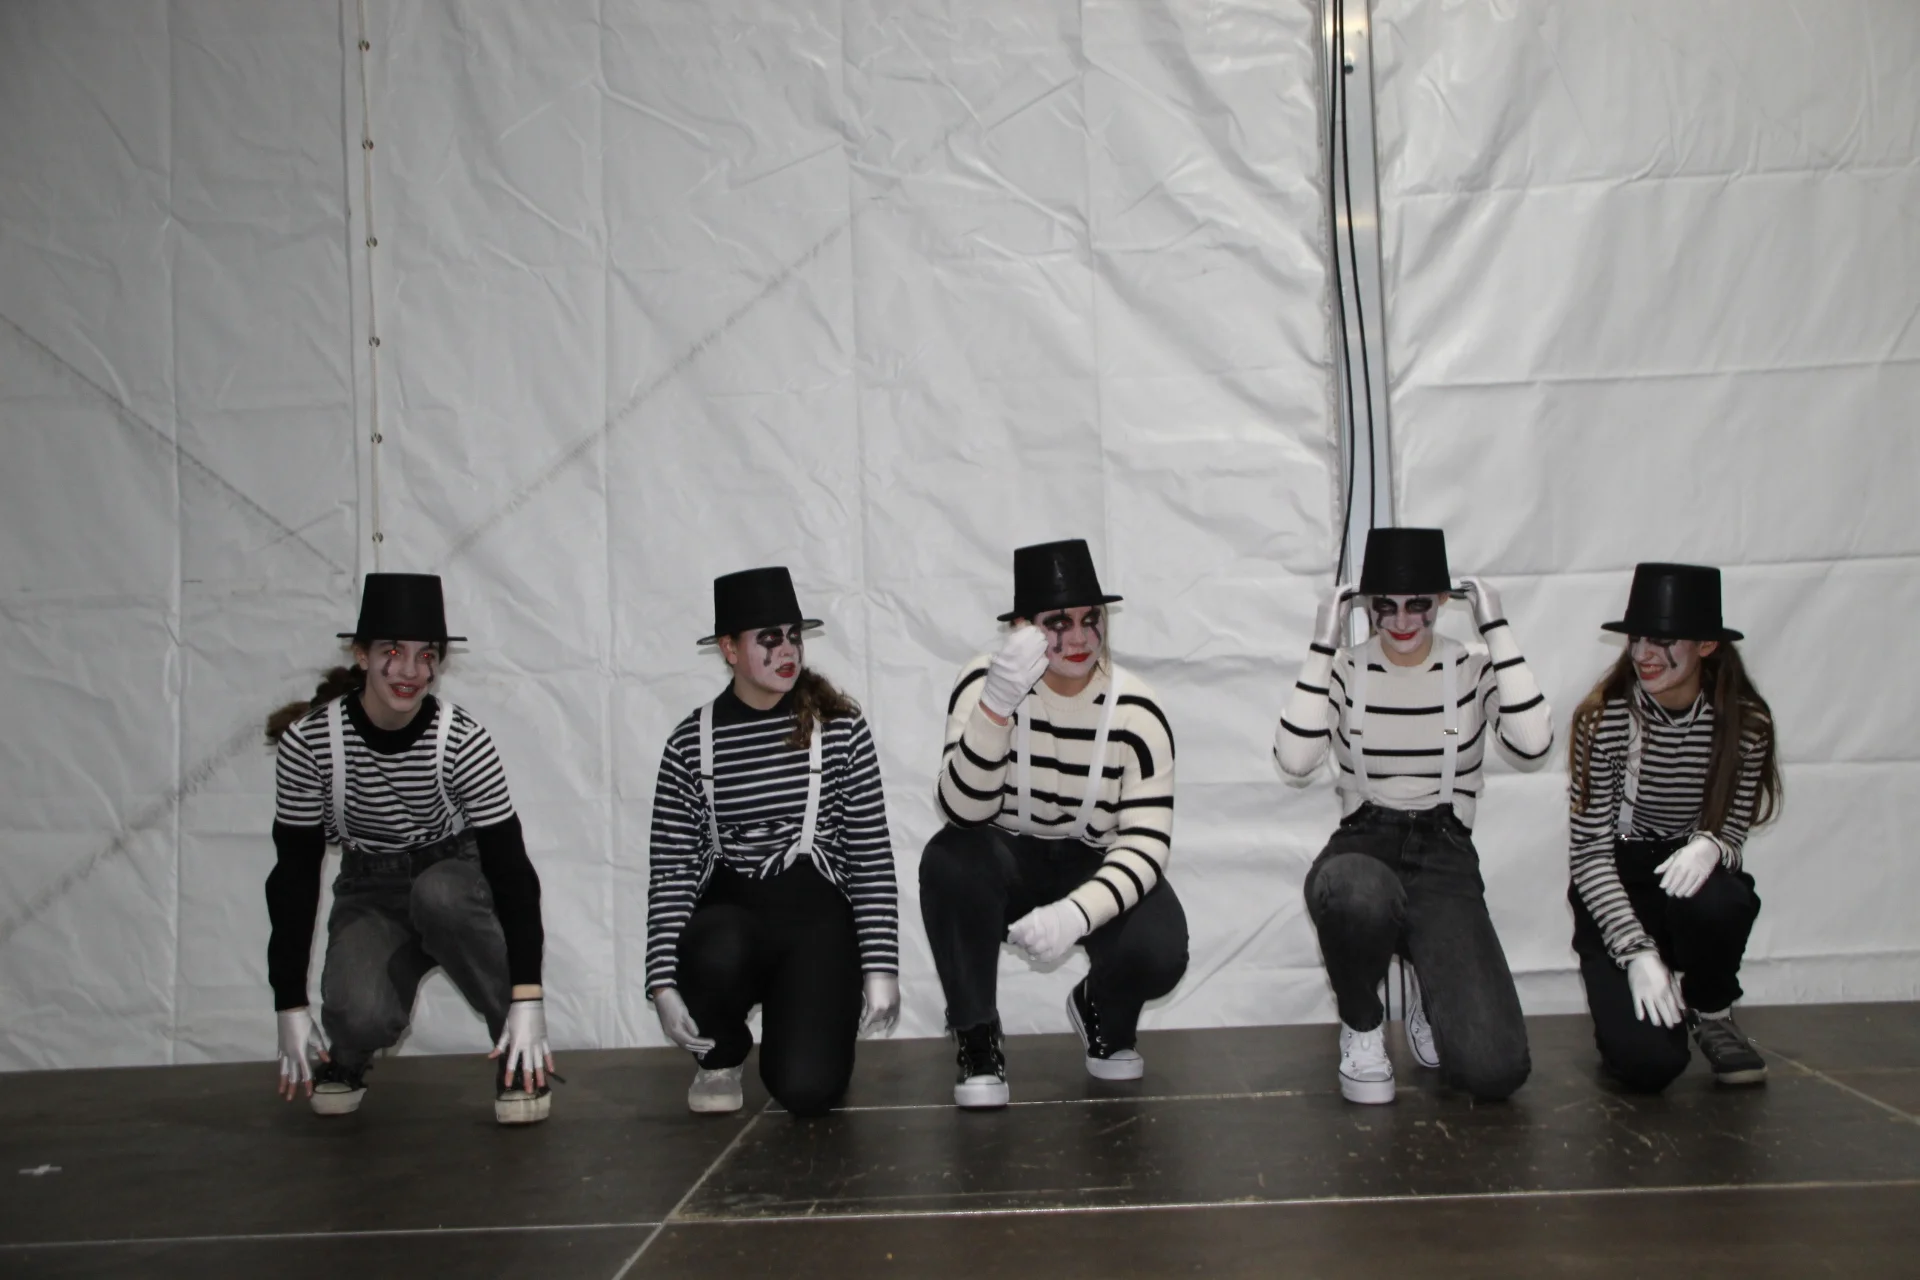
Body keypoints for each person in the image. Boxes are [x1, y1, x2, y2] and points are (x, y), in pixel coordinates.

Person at [1274, 528, 1553, 1104]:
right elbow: (1296, 759)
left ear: (1442, 601)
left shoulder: (1470, 669)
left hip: (1444, 851)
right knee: (1352, 891)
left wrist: (1498, 629)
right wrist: (1322, 645)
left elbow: (1533, 744)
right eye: (1386, 606)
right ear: (1367, 606)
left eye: (1418, 604)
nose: (1401, 621)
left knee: (1495, 1071)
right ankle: (1362, 1024)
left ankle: (1432, 987)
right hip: (1364, 842)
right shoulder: (1346, 669)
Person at [264, 573, 554, 1123]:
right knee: (357, 1014)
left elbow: (512, 870)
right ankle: (348, 1055)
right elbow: (293, 877)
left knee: (440, 893)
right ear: (362, 655)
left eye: (427, 655)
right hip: (370, 887)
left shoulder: (462, 740)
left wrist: (527, 998)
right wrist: (289, 1003)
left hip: (453, 874)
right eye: (393, 652)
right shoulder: (310, 744)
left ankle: (519, 1054)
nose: (411, 671)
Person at [922, 539, 1186, 1109]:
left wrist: (1076, 914)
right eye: (1058, 622)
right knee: (948, 859)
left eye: (1091, 619)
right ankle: (976, 1034)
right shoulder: (982, 682)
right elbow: (961, 810)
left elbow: (1146, 845)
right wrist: (996, 706)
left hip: (1091, 860)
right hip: (1002, 857)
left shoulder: (1137, 709)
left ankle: (1102, 1009)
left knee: (1161, 948)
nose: (1080, 638)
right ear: (1022, 628)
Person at [646, 567, 900, 1117]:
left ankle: (797, 1035)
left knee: (808, 1090)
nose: (787, 650)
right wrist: (662, 982)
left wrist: (881, 966)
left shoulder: (841, 729)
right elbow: (672, 870)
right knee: (712, 946)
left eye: (793, 635)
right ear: (729, 649)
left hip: (815, 920)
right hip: (732, 915)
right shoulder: (691, 741)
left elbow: (870, 855)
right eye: (768, 638)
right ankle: (722, 1055)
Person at [1567, 563, 1780, 1091]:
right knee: (1648, 1066)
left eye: (1663, 641)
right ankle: (1637, 1004)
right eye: (1638, 638)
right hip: (1619, 882)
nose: (1644, 653)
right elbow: (1590, 856)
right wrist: (1636, 951)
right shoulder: (1605, 721)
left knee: (1723, 900)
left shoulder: (1745, 723)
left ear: (1706, 645)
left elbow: (1733, 836)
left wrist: (1711, 846)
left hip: (1686, 881)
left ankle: (1711, 1009)